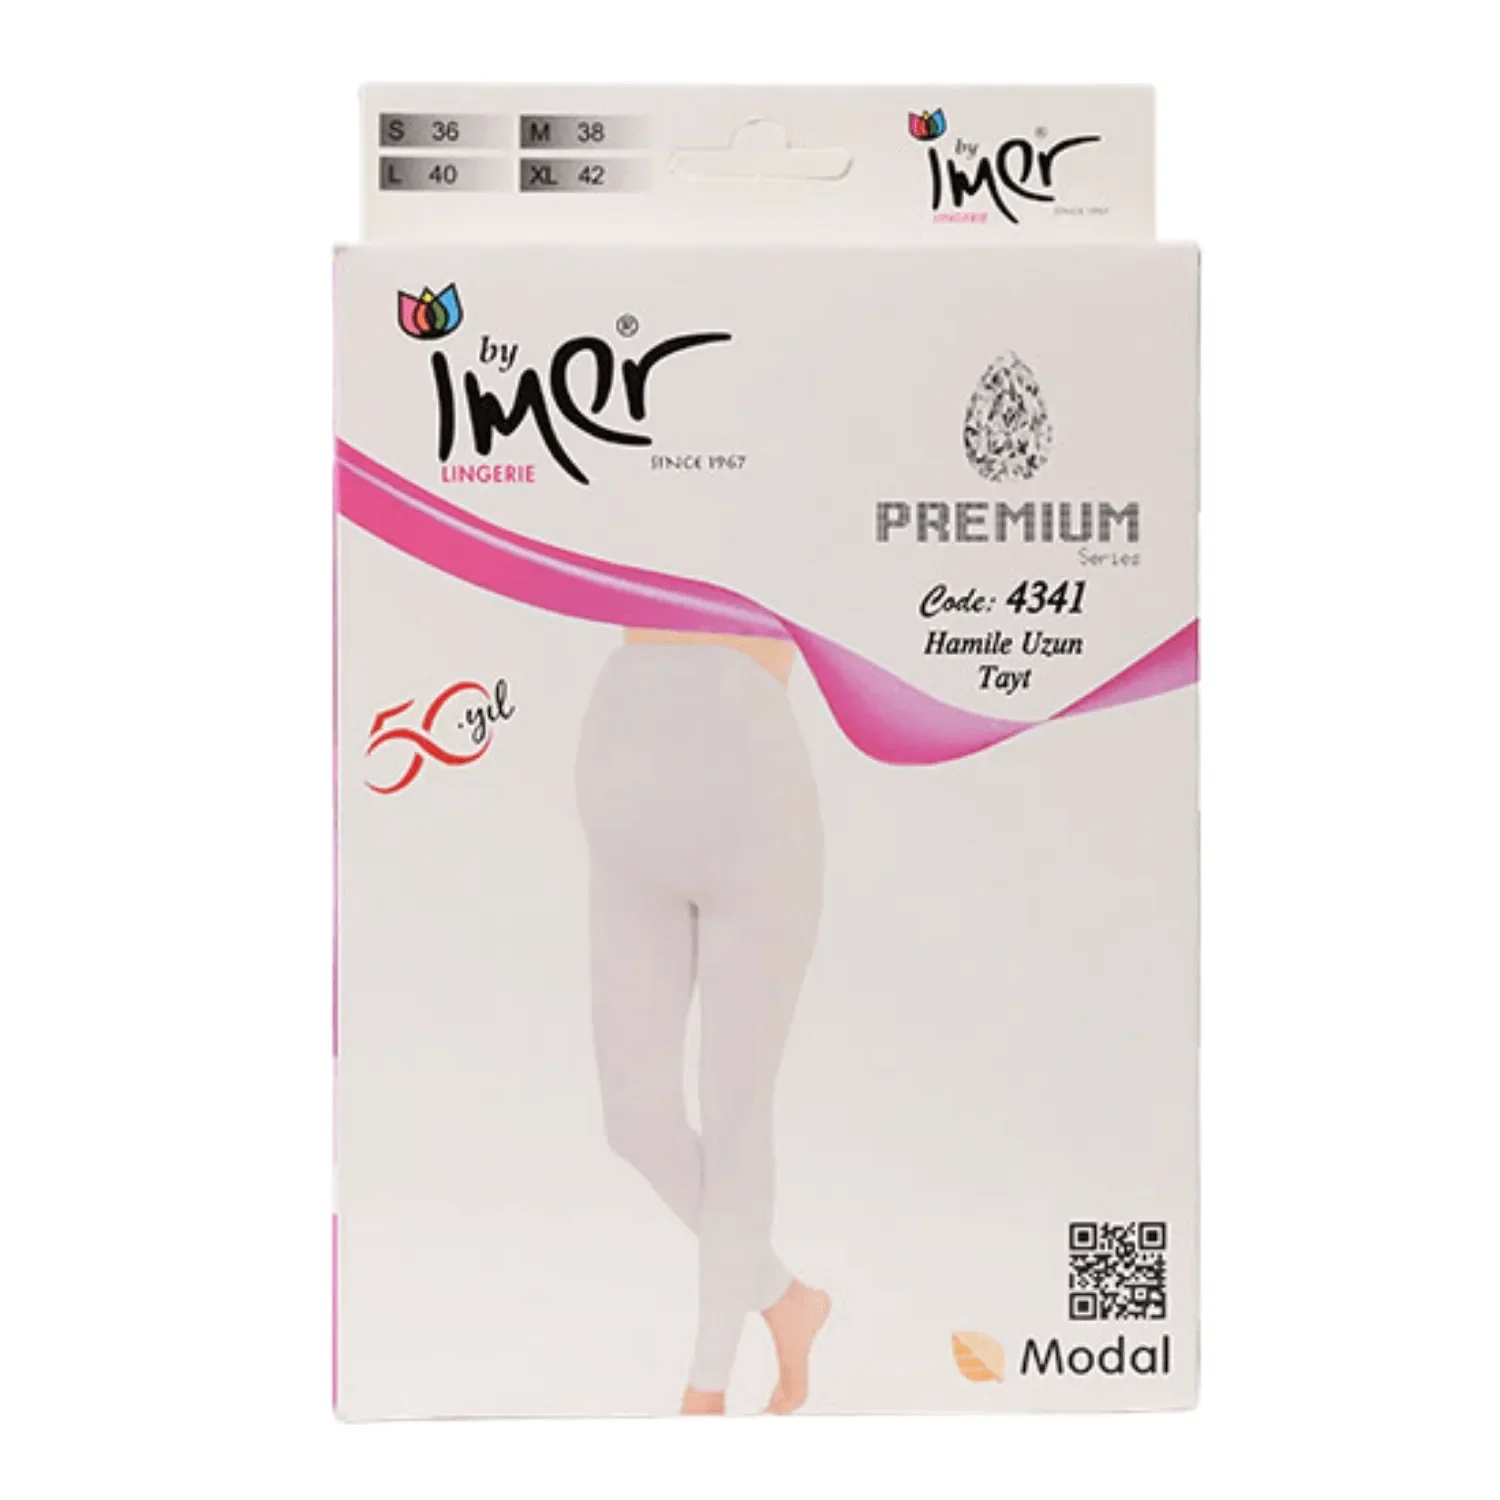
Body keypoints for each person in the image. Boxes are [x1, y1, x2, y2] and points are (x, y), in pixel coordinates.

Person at [575, 627, 831, 1415]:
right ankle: (783, 1298)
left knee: (735, 1115)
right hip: (626, 759)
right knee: (635, 1120)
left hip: (748, 778)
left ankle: (705, 1390)